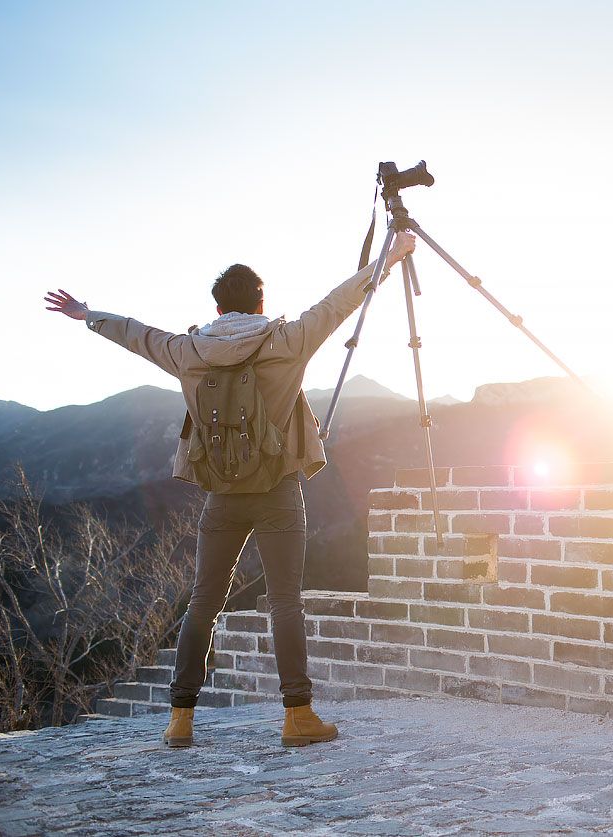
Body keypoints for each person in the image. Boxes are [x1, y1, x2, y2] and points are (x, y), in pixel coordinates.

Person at [42, 230, 416, 748]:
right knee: (285, 601)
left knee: (203, 603)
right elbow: (340, 302)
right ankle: (297, 716)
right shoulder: (287, 341)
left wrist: (88, 314)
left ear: (216, 307)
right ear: (261, 302)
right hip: (278, 490)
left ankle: (180, 719)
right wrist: (390, 257)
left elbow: (138, 334)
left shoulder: (189, 351)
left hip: (221, 494)